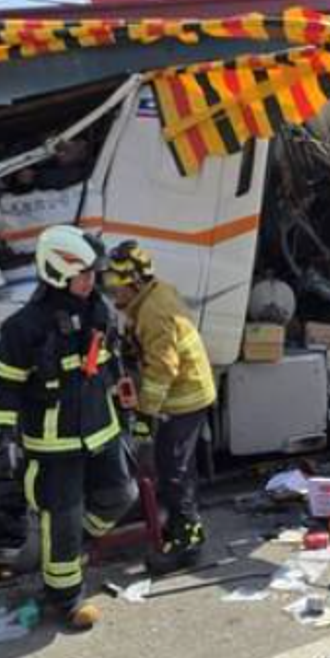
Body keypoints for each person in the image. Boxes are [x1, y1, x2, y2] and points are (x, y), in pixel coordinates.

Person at [0, 225, 136, 630]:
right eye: (83, 274)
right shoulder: (23, 328)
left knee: (121, 496)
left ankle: (67, 546)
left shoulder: (100, 311)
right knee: (62, 516)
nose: (91, 281)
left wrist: (128, 415)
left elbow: (112, 367)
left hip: (101, 431)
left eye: (93, 273)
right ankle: (65, 599)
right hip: (54, 444)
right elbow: (6, 389)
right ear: (57, 272)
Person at [103, 240, 219, 573]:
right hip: (185, 392)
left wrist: (144, 414)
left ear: (135, 283)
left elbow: (163, 368)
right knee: (177, 468)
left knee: (173, 471)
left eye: (116, 283)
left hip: (183, 398)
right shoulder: (151, 295)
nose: (112, 290)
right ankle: (182, 524)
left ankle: (188, 543)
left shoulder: (153, 310)